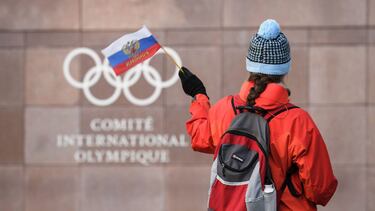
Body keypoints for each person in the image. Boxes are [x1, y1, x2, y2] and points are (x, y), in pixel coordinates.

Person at [178, 19, 337, 211]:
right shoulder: (297, 121)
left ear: (250, 64)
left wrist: (199, 95)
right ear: (284, 68)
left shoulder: (225, 108)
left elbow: (200, 138)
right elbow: (321, 189)